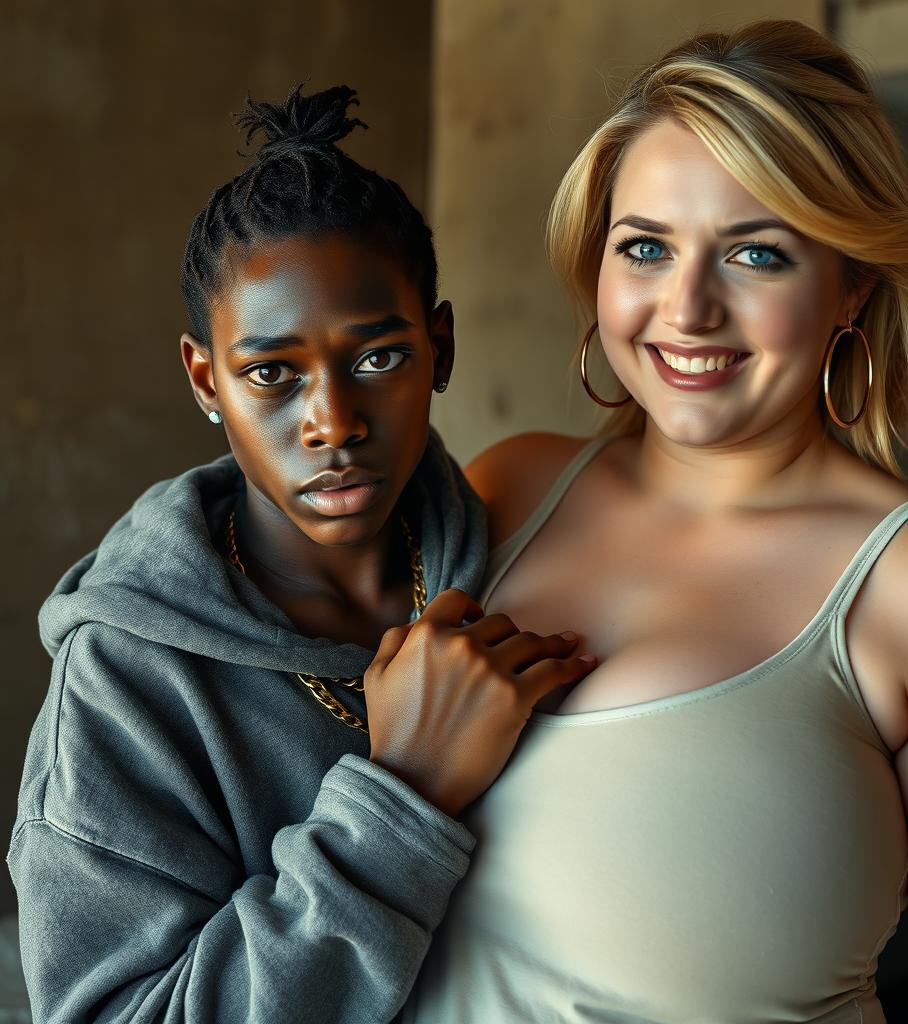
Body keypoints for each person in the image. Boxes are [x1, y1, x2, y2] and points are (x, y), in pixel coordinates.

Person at [403, 21, 908, 1024]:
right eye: (644, 247)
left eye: (756, 254)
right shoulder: (507, 491)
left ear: (851, 286)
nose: (687, 309)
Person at [8, 84, 595, 1023]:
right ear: (207, 378)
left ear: (439, 348)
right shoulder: (126, 681)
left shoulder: (526, 564)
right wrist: (404, 795)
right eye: (271, 374)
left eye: (377, 360)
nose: (332, 424)